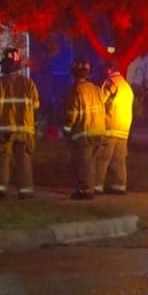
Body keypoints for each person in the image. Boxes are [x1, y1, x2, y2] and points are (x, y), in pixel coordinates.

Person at [0, 46, 40, 199]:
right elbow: (36, 109)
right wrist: (33, 126)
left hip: (2, 130)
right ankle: (26, 191)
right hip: (24, 130)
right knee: (23, 159)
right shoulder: (29, 84)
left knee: (2, 158)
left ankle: (0, 189)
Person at [63, 57, 107, 200]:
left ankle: (85, 190)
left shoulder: (76, 90)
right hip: (99, 130)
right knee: (91, 162)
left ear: (74, 73)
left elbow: (72, 113)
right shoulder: (96, 89)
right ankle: (89, 188)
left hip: (84, 132)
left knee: (83, 162)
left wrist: (66, 129)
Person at [94, 63, 135, 194]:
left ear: (109, 69)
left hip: (110, 127)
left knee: (102, 158)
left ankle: (96, 186)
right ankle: (119, 186)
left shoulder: (110, 82)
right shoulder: (127, 87)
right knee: (119, 159)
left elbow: (101, 102)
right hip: (124, 130)